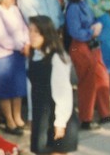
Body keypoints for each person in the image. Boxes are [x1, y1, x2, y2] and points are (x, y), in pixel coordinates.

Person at [65, 0, 110, 130]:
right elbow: (75, 31)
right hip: (81, 46)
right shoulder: (73, 7)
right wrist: (91, 31)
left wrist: (94, 27)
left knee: (102, 76)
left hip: (92, 44)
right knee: (88, 81)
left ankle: (105, 113)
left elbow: (90, 19)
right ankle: (86, 118)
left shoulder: (83, 2)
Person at [27, 16, 79, 155]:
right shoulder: (34, 56)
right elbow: (32, 89)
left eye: (36, 32)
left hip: (56, 116)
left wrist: (60, 122)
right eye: (30, 30)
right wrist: (32, 116)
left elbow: (63, 92)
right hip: (41, 115)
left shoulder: (57, 57)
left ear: (46, 33)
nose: (31, 35)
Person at [0, 0, 29, 135]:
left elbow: (24, 28)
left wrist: (26, 43)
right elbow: (1, 36)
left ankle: (17, 117)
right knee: (5, 90)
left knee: (17, 88)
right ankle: (9, 120)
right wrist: (20, 46)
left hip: (18, 53)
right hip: (2, 55)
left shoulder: (15, 9)